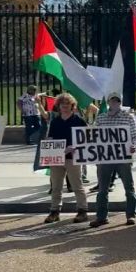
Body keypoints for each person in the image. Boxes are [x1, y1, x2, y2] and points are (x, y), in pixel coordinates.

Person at [89, 92, 136, 228]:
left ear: (120, 102)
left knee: (129, 188)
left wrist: (134, 145)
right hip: (105, 158)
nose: (114, 103)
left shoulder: (128, 117)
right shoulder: (101, 118)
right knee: (102, 189)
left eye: (117, 101)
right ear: (109, 103)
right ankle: (101, 217)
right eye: (112, 101)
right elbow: (93, 136)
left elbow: (135, 135)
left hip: (123, 157)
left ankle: (130, 215)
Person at [44, 93, 89, 224]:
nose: (64, 106)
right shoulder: (55, 121)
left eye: (67, 104)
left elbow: (86, 137)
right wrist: (49, 141)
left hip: (72, 157)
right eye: (62, 104)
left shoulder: (78, 120)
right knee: (56, 186)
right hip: (57, 158)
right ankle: (54, 211)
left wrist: (74, 147)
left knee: (77, 185)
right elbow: (51, 137)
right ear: (58, 106)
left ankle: (82, 211)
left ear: (72, 106)